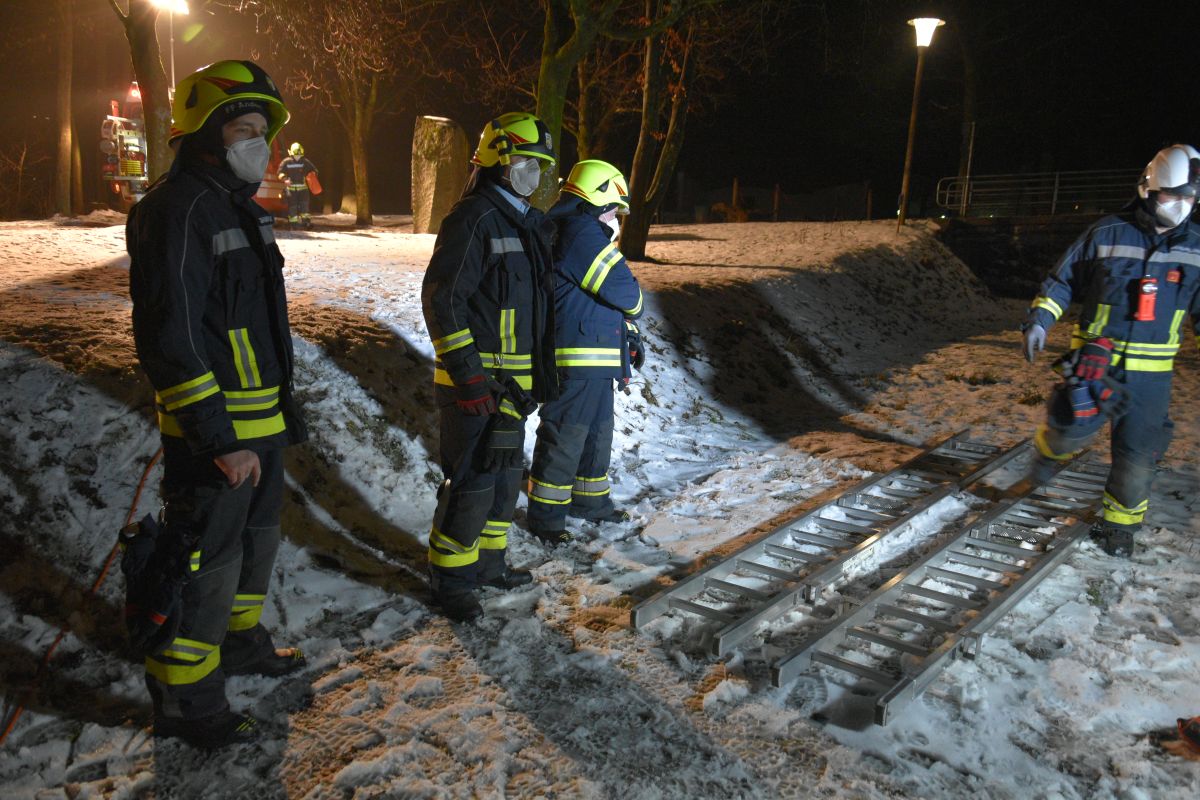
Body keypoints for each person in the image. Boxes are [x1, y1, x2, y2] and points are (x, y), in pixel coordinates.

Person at [127, 60, 308, 748]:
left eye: (263, 130)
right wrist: (216, 437)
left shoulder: (236, 207)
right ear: (204, 132)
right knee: (207, 567)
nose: (258, 144)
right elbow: (171, 336)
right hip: (219, 439)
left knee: (252, 551)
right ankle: (186, 701)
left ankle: (239, 646)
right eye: (244, 128)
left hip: (258, 425)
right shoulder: (176, 211)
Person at [1021, 143, 1200, 557]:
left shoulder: (1195, 249)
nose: (1180, 206)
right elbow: (1062, 279)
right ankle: (1047, 456)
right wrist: (1040, 321)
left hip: (1152, 379)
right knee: (1066, 433)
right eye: (1172, 195)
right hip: (1093, 368)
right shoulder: (1106, 233)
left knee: (1138, 458)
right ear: (1149, 190)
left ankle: (1119, 527)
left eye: (1188, 198)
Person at [421, 112, 559, 622]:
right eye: (525, 160)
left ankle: (489, 564)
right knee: (473, 485)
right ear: (497, 160)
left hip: (512, 390)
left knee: (503, 483)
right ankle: (451, 582)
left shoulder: (522, 223)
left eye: (541, 163)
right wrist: (470, 378)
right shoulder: (473, 219)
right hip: (476, 389)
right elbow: (442, 301)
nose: (534, 171)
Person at [527, 160, 645, 544]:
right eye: (613, 208)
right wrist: (630, 309)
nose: (616, 217)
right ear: (597, 199)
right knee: (566, 435)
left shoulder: (577, 229)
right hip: (578, 356)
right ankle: (546, 519)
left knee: (596, 433)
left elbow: (610, 301)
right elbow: (629, 296)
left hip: (593, 354)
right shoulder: (580, 233)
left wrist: (627, 334)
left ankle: (589, 503)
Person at [277, 141, 318, 228]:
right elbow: (280, 173)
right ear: (291, 153)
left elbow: (314, 170)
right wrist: (285, 179)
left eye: (299, 155)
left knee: (305, 207)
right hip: (291, 190)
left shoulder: (305, 162)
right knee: (293, 207)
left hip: (303, 189)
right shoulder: (286, 162)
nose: (297, 157)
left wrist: (312, 175)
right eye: (296, 155)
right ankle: (293, 224)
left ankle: (306, 223)